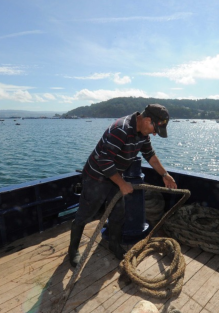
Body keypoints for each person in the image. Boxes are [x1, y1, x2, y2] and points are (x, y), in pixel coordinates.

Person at [68, 104, 177, 267]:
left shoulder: (142, 133)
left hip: (116, 175)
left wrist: (164, 174)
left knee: (119, 212)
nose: (154, 133)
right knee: (85, 213)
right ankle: (73, 250)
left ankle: (114, 244)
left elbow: (149, 154)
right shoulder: (121, 129)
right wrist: (123, 184)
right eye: (155, 129)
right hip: (96, 177)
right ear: (148, 120)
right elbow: (104, 161)